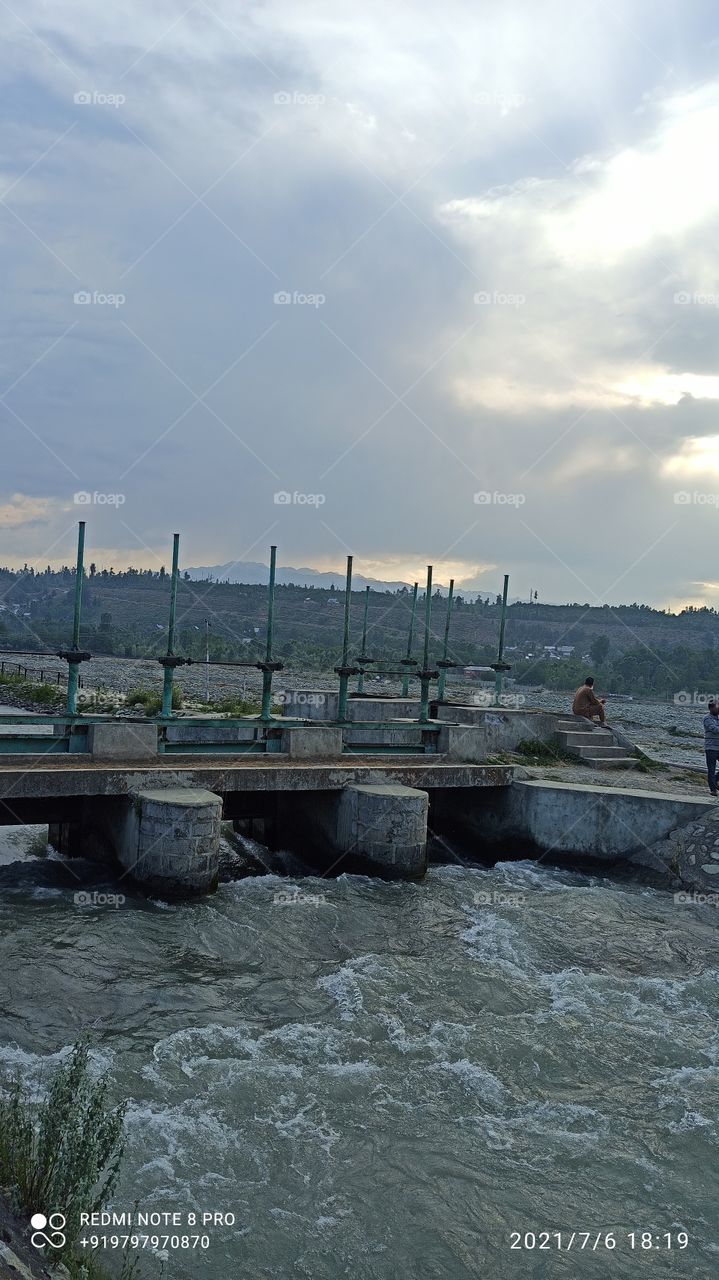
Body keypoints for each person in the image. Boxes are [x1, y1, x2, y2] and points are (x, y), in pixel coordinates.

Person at [703, 701, 719, 797]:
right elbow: (714, 730)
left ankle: (716, 779)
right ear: (711, 708)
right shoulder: (707, 718)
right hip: (711, 747)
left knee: (713, 771)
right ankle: (713, 789)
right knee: (711, 769)